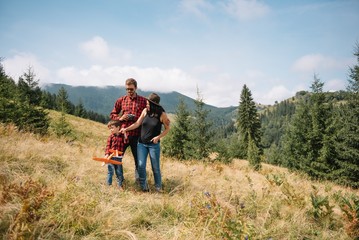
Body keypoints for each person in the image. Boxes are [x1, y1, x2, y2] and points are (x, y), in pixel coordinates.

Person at [121, 93, 170, 192]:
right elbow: (137, 123)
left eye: (148, 104)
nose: (146, 105)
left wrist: (158, 137)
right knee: (141, 165)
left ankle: (158, 187)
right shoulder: (145, 111)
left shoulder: (162, 114)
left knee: (155, 167)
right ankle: (144, 186)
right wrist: (126, 129)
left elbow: (167, 129)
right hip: (141, 144)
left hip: (154, 145)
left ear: (154, 104)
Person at [110, 78, 147, 183]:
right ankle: (120, 181)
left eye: (131, 89)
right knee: (117, 158)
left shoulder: (143, 101)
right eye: (127, 89)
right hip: (122, 135)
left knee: (139, 161)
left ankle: (139, 181)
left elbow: (149, 114)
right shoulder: (121, 100)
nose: (129, 91)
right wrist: (120, 118)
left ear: (136, 87)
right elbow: (112, 114)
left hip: (137, 135)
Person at [104, 120, 126, 190]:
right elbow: (108, 146)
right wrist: (107, 154)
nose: (111, 130)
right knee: (110, 171)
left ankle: (120, 185)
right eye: (110, 128)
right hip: (111, 157)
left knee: (119, 172)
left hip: (118, 158)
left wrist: (125, 134)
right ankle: (108, 185)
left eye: (112, 128)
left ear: (118, 127)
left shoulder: (122, 136)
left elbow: (126, 142)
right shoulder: (111, 137)